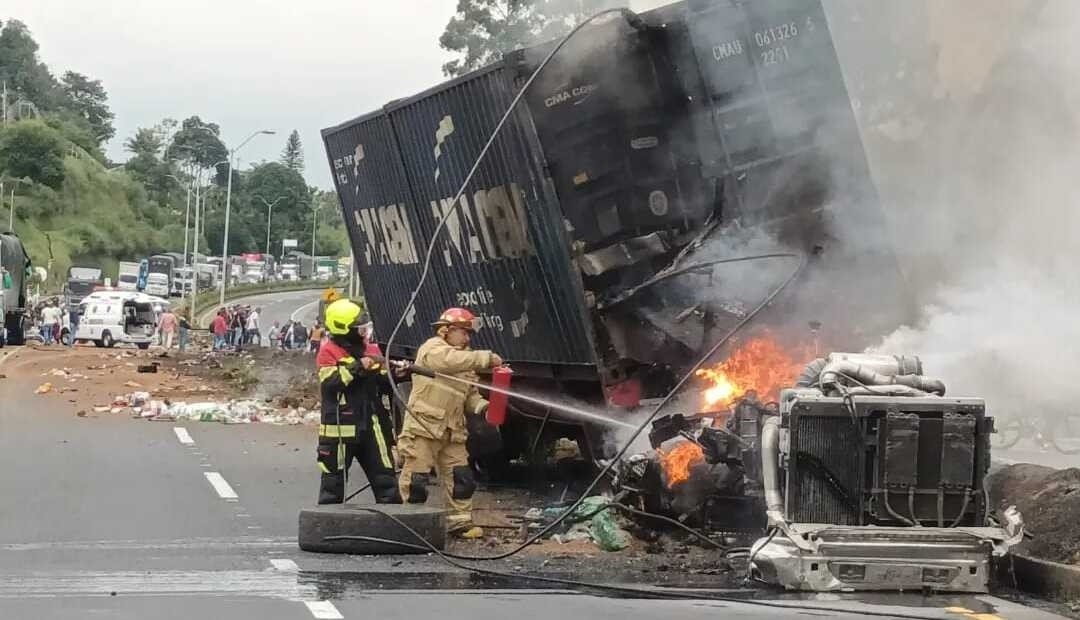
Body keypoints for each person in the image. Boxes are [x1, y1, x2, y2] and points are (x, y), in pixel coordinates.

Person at [398, 307, 503, 539]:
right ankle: (411, 524)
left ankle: (459, 523)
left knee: (461, 478)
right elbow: (448, 361)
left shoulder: (464, 361)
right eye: (463, 332)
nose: (467, 338)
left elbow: (470, 395)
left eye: (468, 334)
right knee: (417, 479)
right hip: (423, 427)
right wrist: (486, 358)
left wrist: (485, 408)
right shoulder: (432, 349)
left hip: (453, 430)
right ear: (446, 331)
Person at [316, 298, 402, 505]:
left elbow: (383, 382)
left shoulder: (371, 350)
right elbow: (331, 384)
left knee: (386, 478)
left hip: (373, 426)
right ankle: (330, 528)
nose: (364, 334)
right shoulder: (328, 352)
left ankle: (394, 529)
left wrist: (396, 374)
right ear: (344, 328)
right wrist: (358, 366)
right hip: (339, 430)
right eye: (359, 329)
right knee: (333, 485)